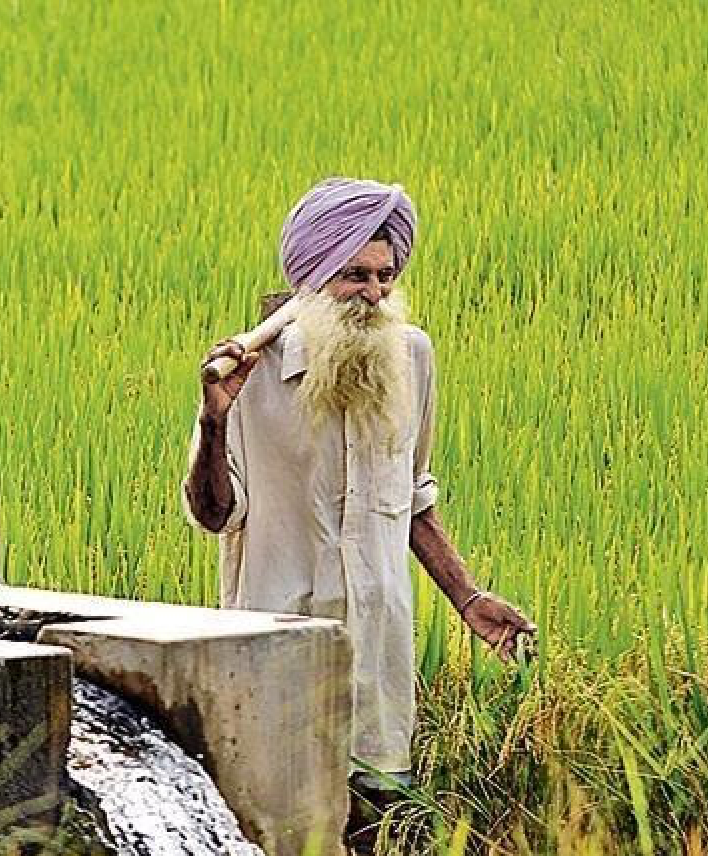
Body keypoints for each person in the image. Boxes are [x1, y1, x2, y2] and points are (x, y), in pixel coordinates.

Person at [182, 177, 535, 808]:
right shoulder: (248, 376)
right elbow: (214, 514)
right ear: (313, 278)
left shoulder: (412, 358)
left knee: (379, 816)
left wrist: (469, 598)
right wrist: (213, 421)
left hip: (378, 644)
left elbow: (413, 500)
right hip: (276, 643)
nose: (373, 294)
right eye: (353, 276)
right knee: (276, 830)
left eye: (385, 276)